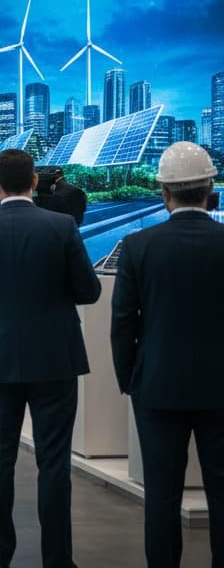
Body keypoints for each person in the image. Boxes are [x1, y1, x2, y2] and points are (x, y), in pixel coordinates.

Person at [0, 149, 101, 568]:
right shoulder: (62, 227)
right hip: (55, 359)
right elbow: (89, 291)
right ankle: (57, 560)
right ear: (35, 182)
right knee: (54, 465)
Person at [110, 141, 224, 568]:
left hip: (157, 388)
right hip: (220, 390)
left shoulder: (138, 246)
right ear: (210, 188)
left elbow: (123, 323)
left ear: (164, 192)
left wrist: (130, 380)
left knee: (161, 498)